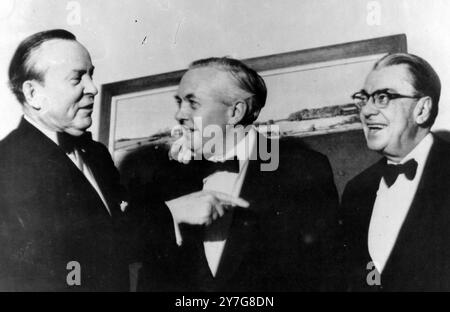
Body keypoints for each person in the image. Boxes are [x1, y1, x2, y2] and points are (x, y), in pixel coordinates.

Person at [125, 57, 339, 291]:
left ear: (235, 112)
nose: (179, 115)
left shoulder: (303, 169)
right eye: (179, 102)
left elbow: (324, 274)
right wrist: (171, 215)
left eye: (193, 103)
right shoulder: (163, 176)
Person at [0, 29, 129, 291]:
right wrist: (168, 214)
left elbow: (117, 235)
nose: (93, 88)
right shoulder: (8, 165)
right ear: (34, 94)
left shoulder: (97, 153)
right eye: (77, 78)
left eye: (91, 74)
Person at [340, 52, 450, 291]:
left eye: (383, 97)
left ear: (422, 109)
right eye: (364, 98)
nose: (366, 111)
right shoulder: (357, 190)